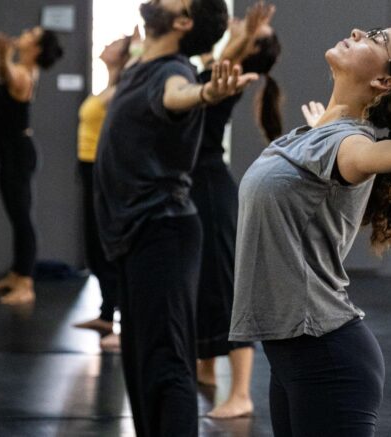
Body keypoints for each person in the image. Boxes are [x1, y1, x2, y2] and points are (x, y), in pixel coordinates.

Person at [229, 26, 391, 436]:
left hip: (325, 356)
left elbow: (366, 155)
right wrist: (326, 122)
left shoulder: (350, 144)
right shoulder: (318, 137)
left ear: (383, 82)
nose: (357, 32)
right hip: (292, 351)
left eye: (376, 39)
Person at [93, 0, 256, 435]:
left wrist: (205, 93)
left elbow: (179, 95)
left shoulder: (172, 71)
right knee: (142, 370)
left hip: (162, 231)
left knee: (166, 367)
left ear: (182, 22)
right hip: (138, 234)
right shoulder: (142, 67)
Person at [191, 1, 279, 419]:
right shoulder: (218, 66)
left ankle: (241, 392)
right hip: (200, 187)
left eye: (252, 33)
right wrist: (236, 30)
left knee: (223, 288)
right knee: (204, 284)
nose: (243, 26)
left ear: (250, 51)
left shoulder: (233, 74)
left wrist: (243, 35)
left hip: (209, 190)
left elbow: (222, 58)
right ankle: (205, 368)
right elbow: (213, 55)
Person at [0, 26, 63, 305]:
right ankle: (17, 274)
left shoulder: (21, 74)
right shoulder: (21, 69)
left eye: (33, 32)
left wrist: (3, 55)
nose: (26, 31)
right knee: (17, 215)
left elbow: (8, 76)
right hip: (12, 153)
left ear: (37, 48)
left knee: (22, 219)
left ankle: (26, 284)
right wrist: (3, 56)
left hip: (18, 154)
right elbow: (5, 73)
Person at [73, 34, 134, 351]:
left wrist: (137, 46)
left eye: (114, 44)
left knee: (105, 245)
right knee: (93, 247)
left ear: (123, 56)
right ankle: (105, 314)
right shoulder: (107, 87)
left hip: (102, 170)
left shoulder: (121, 88)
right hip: (88, 167)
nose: (105, 46)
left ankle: (122, 320)